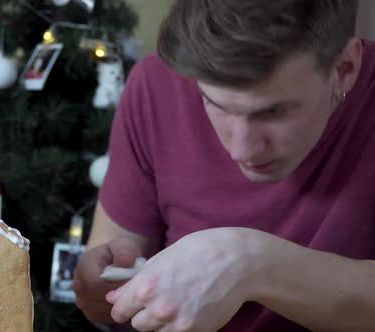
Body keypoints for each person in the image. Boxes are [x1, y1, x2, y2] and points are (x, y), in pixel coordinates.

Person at [73, 1, 375, 331]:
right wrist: (99, 287)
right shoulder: (155, 84)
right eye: (216, 104)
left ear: (344, 69)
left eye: (273, 112)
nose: (242, 149)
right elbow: (98, 297)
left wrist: (253, 263)